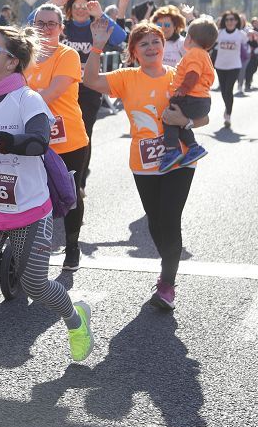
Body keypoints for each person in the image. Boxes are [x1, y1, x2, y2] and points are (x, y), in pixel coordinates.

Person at [0, 26, 93, 396]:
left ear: (12, 60)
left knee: (34, 287)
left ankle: (75, 318)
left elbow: (38, 142)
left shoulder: (27, 100)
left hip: (29, 213)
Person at [83, 18, 206, 311]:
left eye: (156, 42)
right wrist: (97, 46)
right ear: (134, 51)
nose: (151, 47)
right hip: (144, 161)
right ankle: (168, 262)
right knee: (154, 222)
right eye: (144, 43)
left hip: (179, 159)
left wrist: (185, 121)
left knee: (170, 217)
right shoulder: (126, 77)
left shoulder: (179, 76)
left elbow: (203, 115)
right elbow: (90, 80)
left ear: (164, 47)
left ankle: (167, 283)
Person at [25, 4, 90, 271]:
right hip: (32, 139)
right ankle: (31, 249)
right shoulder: (23, 57)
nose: (46, 28)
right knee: (31, 194)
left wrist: (15, 103)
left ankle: (72, 247)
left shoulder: (68, 55)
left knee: (70, 195)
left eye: (52, 23)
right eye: (40, 23)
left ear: (62, 28)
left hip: (69, 139)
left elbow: (51, 93)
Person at [61, 0, 127, 184]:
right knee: (60, 134)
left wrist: (100, 14)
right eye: (76, 7)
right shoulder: (61, 27)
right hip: (62, 89)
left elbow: (119, 37)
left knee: (84, 134)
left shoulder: (97, 25)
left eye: (85, 7)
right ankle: (61, 177)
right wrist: (51, 3)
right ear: (69, 10)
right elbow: (34, 26)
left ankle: (79, 182)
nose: (81, 10)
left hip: (89, 89)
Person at [159, 17, 217, 172]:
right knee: (180, 123)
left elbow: (193, 74)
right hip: (201, 100)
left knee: (169, 118)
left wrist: (183, 89)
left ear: (189, 38)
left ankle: (172, 150)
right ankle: (193, 147)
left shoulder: (194, 54)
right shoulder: (204, 54)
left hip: (191, 98)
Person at [214, 10, 247, 128]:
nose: (229, 22)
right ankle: (227, 107)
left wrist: (256, 38)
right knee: (223, 91)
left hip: (234, 66)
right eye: (227, 20)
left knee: (229, 89)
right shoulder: (220, 33)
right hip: (220, 65)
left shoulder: (240, 34)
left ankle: (228, 114)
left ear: (237, 21)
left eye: (232, 19)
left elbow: (252, 43)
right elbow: (210, 44)